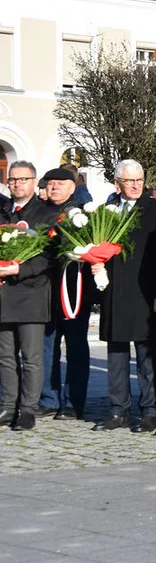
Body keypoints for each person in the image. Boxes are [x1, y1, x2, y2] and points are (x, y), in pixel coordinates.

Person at [93, 160, 156, 434]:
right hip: (115, 291)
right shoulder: (106, 210)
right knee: (116, 353)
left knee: (145, 354)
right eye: (130, 181)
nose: (136, 185)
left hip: (144, 291)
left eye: (139, 180)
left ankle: (149, 411)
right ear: (117, 183)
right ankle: (118, 410)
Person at [0, 162, 55, 430]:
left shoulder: (45, 214)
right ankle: (8, 406)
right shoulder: (3, 212)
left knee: (31, 357)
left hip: (31, 293)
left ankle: (28, 409)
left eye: (23, 179)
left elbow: (48, 258)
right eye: (13, 180)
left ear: (34, 182)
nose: (17, 184)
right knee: (5, 356)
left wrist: (20, 268)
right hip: (3, 294)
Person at [41, 167, 92, 419]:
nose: (54, 187)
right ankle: (48, 398)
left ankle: (74, 402)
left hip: (74, 290)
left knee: (75, 347)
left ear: (73, 187)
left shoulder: (81, 214)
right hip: (43, 289)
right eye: (50, 183)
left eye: (60, 183)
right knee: (46, 346)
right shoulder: (39, 212)